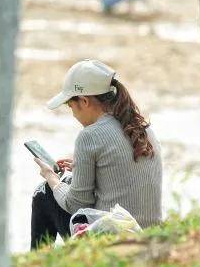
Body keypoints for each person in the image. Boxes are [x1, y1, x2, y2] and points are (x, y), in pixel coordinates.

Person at [30, 59, 162, 249]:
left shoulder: (89, 136)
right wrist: (81, 167)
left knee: (43, 193)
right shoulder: (142, 127)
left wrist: (50, 176)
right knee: (68, 182)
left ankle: (38, 265)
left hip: (112, 238)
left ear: (84, 101)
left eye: (70, 106)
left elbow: (75, 204)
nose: (73, 114)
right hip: (147, 233)